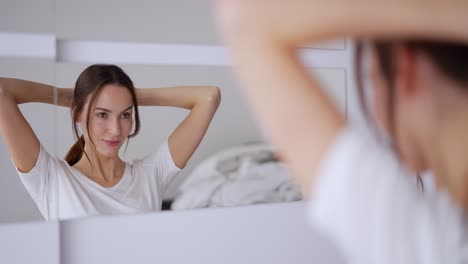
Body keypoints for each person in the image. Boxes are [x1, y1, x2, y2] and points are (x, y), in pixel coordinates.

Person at [213, 0, 468, 263]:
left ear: (406, 67)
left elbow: (244, 16)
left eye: (371, 80)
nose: (377, 114)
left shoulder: (430, 244)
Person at [0, 64, 220, 221]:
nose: (115, 130)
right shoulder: (51, 178)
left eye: (125, 114)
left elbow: (209, 97)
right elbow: (2, 91)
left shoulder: (150, 175)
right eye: (102, 115)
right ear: (77, 113)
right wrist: (66, 96)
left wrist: (129, 97)